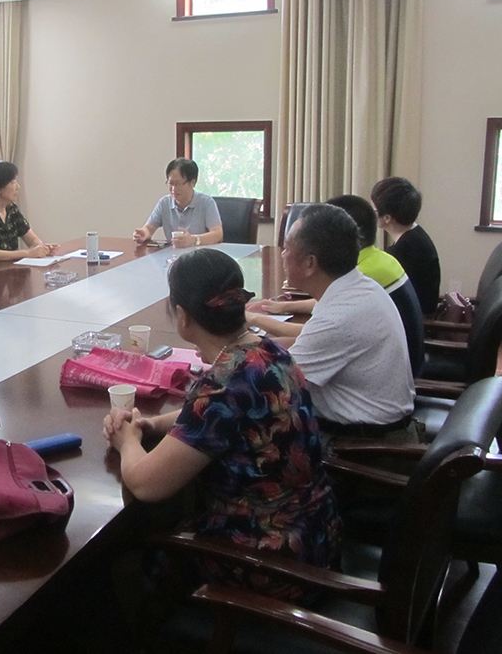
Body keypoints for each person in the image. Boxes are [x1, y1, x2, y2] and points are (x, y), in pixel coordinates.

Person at [103, 249, 340, 600]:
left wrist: (127, 441)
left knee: (120, 563)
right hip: (315, 535)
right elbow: (212, 415)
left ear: (183, 316)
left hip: (269, 565)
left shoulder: (222, 386)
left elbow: (145, 483)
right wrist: (151, 425)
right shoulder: (268, 351)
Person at [246, 204, 417, 441]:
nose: (282, 255)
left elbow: (273, 384)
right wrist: (252, 343)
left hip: (362, 445)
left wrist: (225, 354)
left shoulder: (339, 317)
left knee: (243, 426)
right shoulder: (358, 288)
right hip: (378, 428)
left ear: (310, 263)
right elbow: (306, 339)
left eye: (287, 248)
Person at [248, 194, 408, 322]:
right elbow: (325, 303)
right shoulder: (380, 260)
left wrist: (256, 319)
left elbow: (318, 328)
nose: (283, 253)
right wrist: (282, 307)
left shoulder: (364, 273)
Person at [370, 177, 441, 314]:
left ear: (387, 218)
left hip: (414, 321)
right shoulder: (414, 234)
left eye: (373, 210)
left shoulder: (406, 249)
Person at [0, 161, 57, 264]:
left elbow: (32, 240)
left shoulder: (12, 209)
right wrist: (27, 253)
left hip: (11, 269)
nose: (18, 187)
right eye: (12, 182)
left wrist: (42, 248)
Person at [133, 158, 223, 249]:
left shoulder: (207, 203)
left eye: (178, 184)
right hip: (172, 254)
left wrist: (193, 240)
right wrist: (144, 233)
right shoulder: (164, 203)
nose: (173, 189)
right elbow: (149, 228)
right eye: (170, 183)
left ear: (192, 183)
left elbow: (218, 234)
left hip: (200, 254)